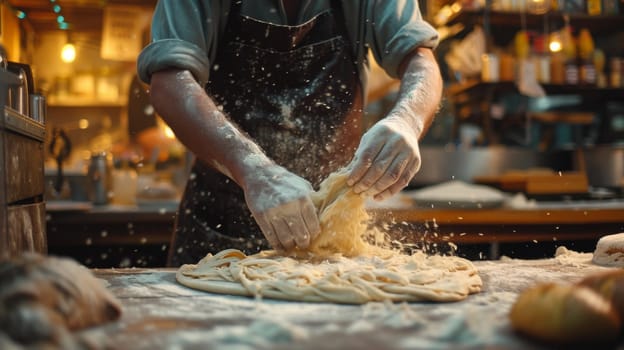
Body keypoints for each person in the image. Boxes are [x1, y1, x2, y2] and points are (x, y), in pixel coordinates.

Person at [137, 0, 443, 266]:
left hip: (330, 235)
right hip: (221, 230)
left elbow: (420, 61)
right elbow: (169, 83)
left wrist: (407, 119)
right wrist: (252, 169)